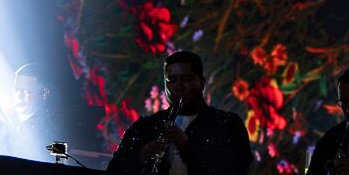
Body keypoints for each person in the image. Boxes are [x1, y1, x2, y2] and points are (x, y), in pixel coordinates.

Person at [107, 52, 254, 175]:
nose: (178, 87)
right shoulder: (143, 127)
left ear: (202, 83)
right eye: (171, 80)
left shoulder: (228, 124)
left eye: (187, 79)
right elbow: (114, 169)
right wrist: (140, 157)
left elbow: (236, 169)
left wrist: (188, 147)